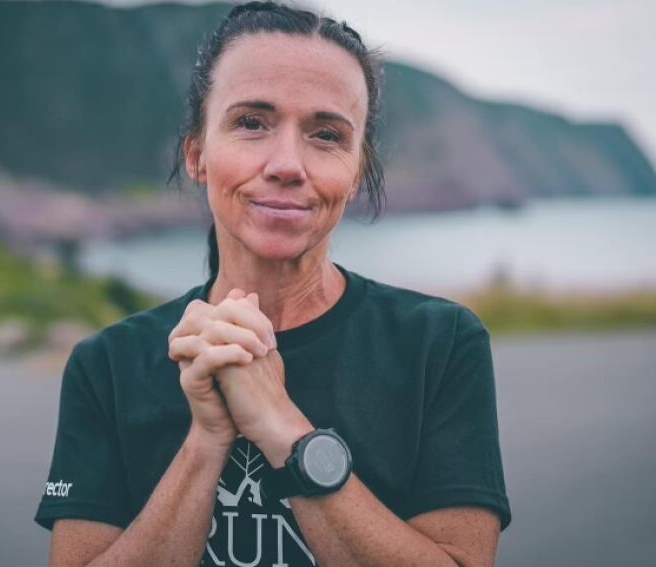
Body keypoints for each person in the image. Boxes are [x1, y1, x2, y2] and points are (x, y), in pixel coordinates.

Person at [34, 2, 511, 566]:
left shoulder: (440, 345)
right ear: (197, 153)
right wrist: (206, 440)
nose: (287, 163)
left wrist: (282, 428)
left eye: (327, 134)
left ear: (357, 172)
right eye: (251, 123)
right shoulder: (107, 365)